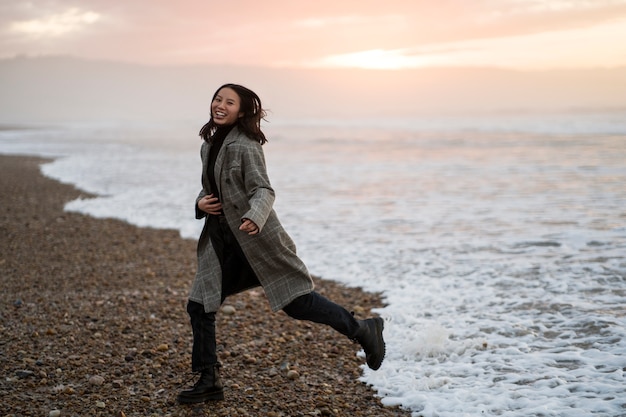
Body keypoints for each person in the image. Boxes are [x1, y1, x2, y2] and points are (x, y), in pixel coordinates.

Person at [177, 83, 385, 404]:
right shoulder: (208, 145)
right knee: (199, 305)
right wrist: (200, 203)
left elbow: (264, 190)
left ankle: (363, 329)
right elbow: (211, 190)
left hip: (257, 242)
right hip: (224, 245)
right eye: (217, 99)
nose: (220, 105)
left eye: (229, 102)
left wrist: (255, 217)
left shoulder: (246, 146)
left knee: (299, 304)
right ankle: (209, 379)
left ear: (242, 111)